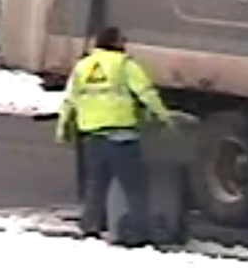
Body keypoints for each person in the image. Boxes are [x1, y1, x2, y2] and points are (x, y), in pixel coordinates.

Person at [56, 26, 173, 245]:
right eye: (123, 40)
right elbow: (145, 92)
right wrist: (164, 116)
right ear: (116, 42)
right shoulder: (124, 65)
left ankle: (89, 226)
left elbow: (70, 99)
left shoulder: (83, 66)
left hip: (92, 134)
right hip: (122, 135)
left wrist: (63, 127)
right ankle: (140, 231)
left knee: (96, 184)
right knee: (133, 186)